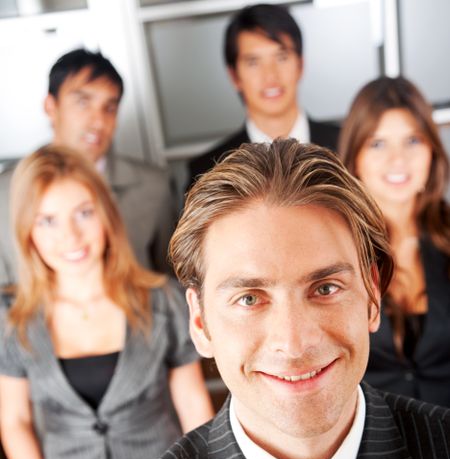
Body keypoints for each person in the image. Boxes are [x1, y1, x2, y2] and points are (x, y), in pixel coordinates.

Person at [78, 140, 449, 459]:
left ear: (371, 296)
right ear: (201, 321)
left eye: (325, 288)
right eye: (250, 298)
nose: (294, 343)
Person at [0, 145, 213, 459]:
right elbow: (14, 422)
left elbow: (193, 406)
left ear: (105, 214)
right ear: (27, 231)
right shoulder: (14, 320)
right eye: (48, 221)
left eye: (83, 213)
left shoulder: (163, 301)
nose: (70, 238)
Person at [0, 48, 176, 285]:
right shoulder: (6, 192)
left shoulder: (152, 187)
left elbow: (172, 280)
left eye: (110, 108)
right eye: (83, 102)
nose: (98, 121)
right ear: (51, 106)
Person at [339, 76, 450, 407]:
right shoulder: (335, 248)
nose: (398, 160)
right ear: (355, 156)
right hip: (377, 447)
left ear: (431, 148)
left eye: (412, 141)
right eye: (378, 144)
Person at [187, 3, 339, 188]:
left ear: (300, 65)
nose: (270, 76)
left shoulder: (347, 147)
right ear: (234, 76)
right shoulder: (207, 172)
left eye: (281, 58)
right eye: (253, 63)